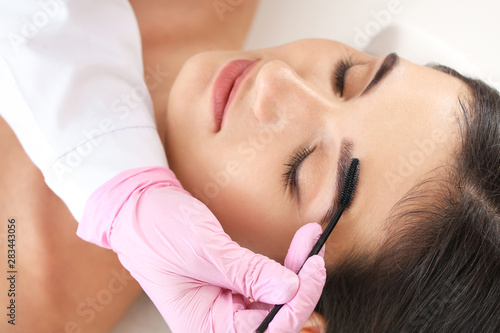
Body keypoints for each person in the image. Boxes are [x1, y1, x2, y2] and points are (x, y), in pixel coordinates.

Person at [1, 2, 499, 333]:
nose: (275, 79)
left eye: (302, 169)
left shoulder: (18, 298)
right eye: (348, 74)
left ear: (278, 313)